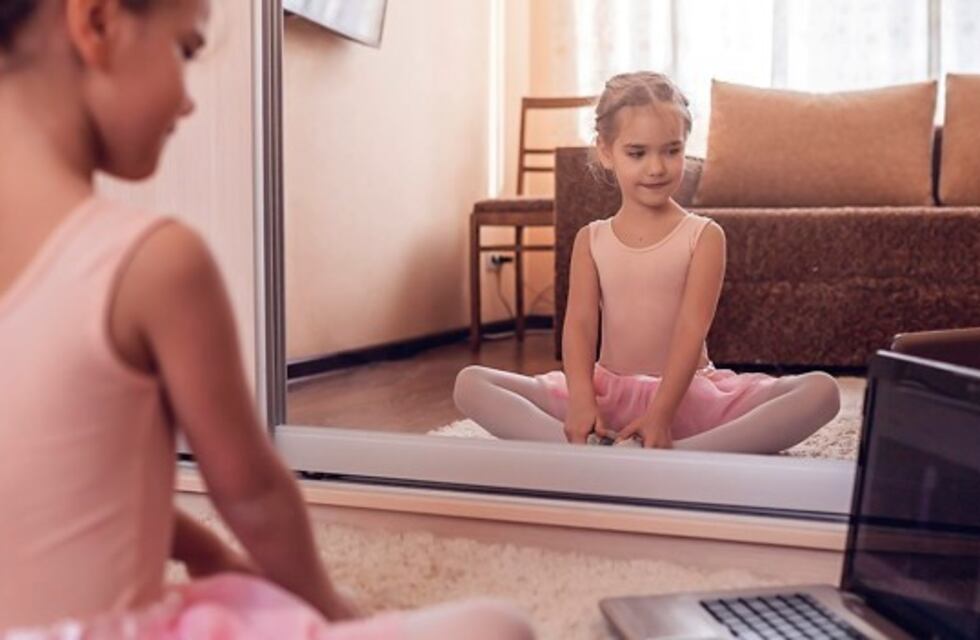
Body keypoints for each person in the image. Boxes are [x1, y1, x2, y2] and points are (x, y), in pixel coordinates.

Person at [0, 0, 533, 638]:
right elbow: (253, 497)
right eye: (186, 50)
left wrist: (207, 554)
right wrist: (330, 612)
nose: (189, 103)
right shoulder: (152, 263)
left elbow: (55, 486)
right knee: (499, 625)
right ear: (98, 24)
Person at [454, 71, 840, 453]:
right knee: (470, 383)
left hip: (686, 397)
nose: (656, 168)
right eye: (637, 153)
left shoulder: (704, 236)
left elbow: (691, 329)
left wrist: (661, 411)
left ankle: (670, 455)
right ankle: (592, 448)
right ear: (606, 152)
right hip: (605, 395)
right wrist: (582, 399)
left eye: (671, 150)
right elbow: (580, 325)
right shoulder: (591, 239)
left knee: (822, 391)